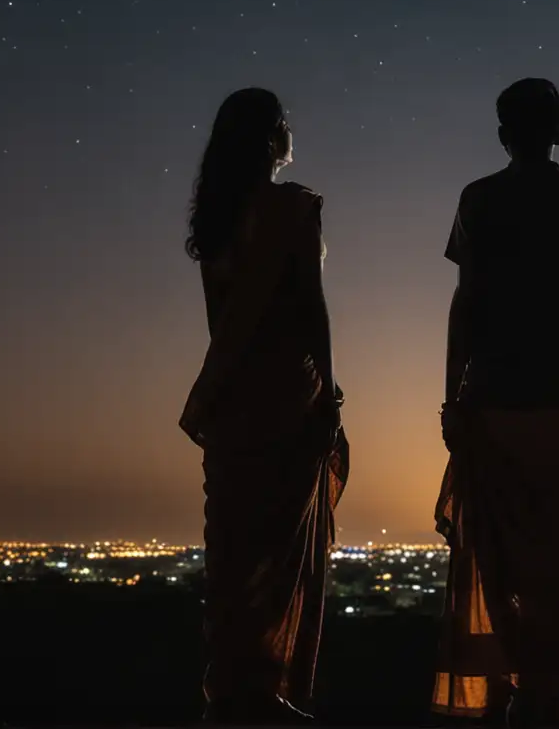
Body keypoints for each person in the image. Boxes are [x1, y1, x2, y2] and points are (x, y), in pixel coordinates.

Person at [431, 78, 559, 727]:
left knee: (498, 551)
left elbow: (466, 303)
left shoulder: (480, 201)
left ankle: (511, 684)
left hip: (493, 396)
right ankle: (549, 691)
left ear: (503, 134)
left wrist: (451, 393)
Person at [177, 88, 349, 725]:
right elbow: (312, 306)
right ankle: (265, 695)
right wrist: (328, 392)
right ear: (275, 135)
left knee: (233, 554)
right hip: (284, 396)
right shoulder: (292, 208)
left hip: (231, 402)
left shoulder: (216, 220)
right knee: (276, 553)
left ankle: (232, 695)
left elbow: (219, 323)